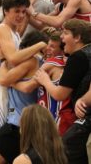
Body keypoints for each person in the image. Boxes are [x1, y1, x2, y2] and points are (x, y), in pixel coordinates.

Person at [0, 0, 47, 159]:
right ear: (5, 11)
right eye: (17, 11)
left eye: (24, 12)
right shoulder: (2, 30)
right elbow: (13, 59)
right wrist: (39, 44)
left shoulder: (15, 33)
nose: (21, 15)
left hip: (6, 91)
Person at [35, 19, 91, 164]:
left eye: (65, 33)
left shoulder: (78, 57)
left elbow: (60, 94)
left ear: (77, 37)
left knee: (67, 145)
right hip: (83, 111)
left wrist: (45, 80)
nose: (61, 37)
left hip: (84, 115)